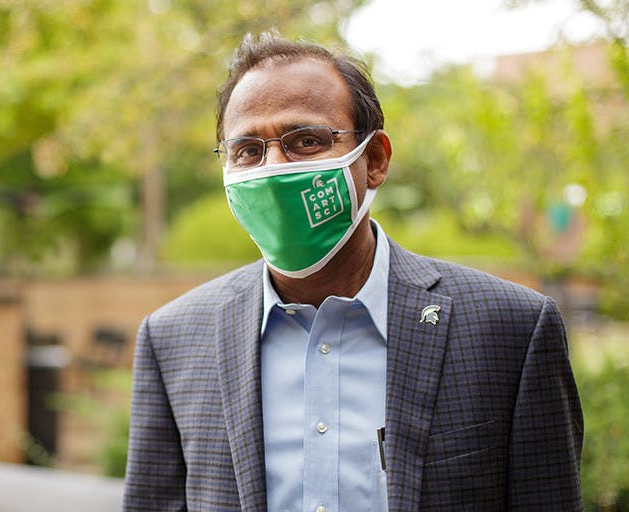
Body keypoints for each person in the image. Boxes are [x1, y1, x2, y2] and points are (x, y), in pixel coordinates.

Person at [124, 32, 583, 511]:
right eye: (248, 151)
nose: (274, 168)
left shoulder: (509, 329)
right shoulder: (173, 338)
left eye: (306, 141)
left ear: (376, 159)